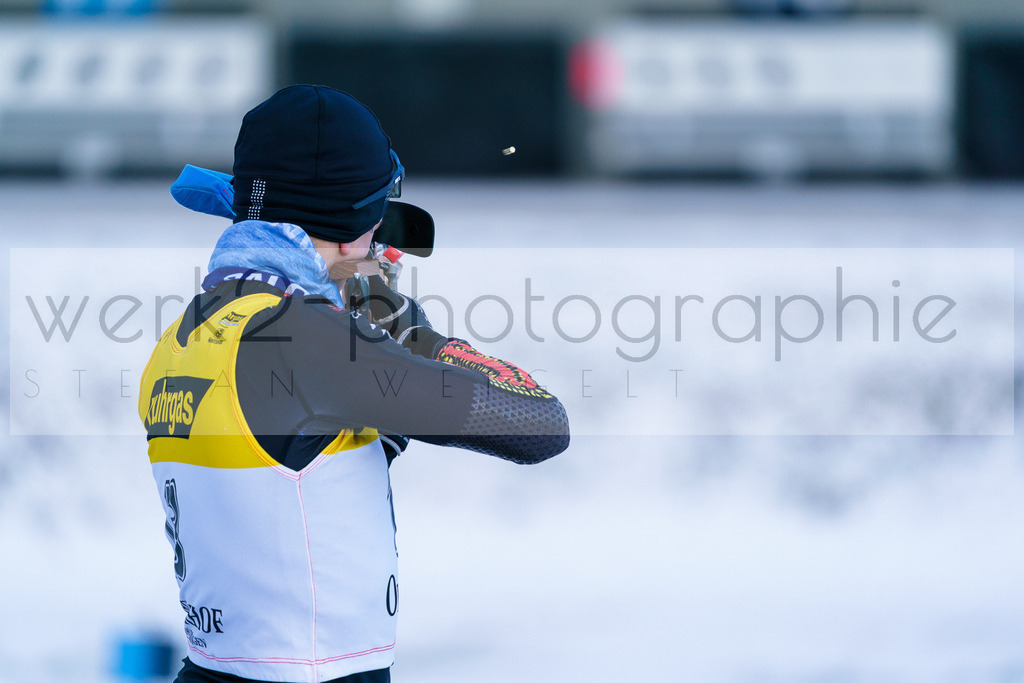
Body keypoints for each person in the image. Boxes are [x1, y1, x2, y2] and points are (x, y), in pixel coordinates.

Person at [138, 84, 570, 683]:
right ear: (349, 230)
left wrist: (357, 321)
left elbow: (318, 483)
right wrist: (414, 334)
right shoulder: (305, 341)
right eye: (374, 227)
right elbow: (540, 425)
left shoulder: (193, 330)